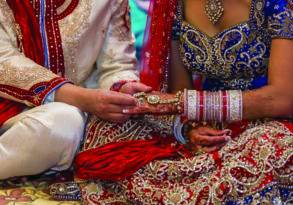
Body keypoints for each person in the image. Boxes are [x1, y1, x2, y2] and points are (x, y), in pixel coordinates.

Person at [50, 0, 293, 204]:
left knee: (272, 147)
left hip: (265, 121)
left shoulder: (276, 5)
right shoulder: (176, 4)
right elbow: (180, 89)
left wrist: (174, 104)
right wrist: (189, 128)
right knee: (113, 117)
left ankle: (117, 189)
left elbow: (283, 99)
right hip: (205, 121)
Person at [0, 0, 153, 180]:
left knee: (66, 122)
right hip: (10, 109)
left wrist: (121, 89)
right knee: (65, 122)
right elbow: (4, 61)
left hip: (69, 116)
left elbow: (116, 65)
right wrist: (83, 99)